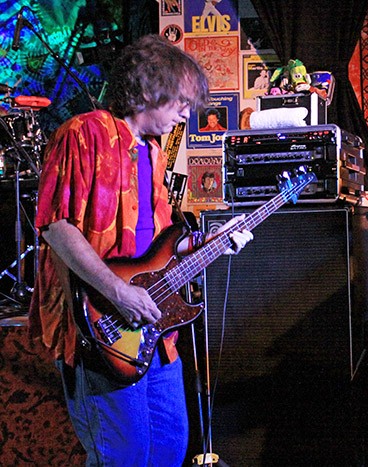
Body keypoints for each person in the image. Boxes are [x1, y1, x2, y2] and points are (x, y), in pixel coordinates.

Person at [28, 35, 253, 466]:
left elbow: (161, 245)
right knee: (124, 456)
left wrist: (217, 241)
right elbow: (56, 226)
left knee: (169, 448)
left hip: (155, 333)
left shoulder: (152, 153)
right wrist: (118, 292)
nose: (187, 113)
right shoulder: (84, 132)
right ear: (149, 91)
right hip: (101, 324)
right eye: (180, 102)